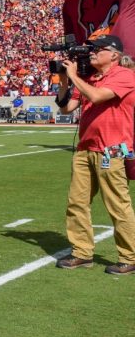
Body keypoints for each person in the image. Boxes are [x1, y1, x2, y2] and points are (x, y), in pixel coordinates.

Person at [54, 35, 135, 274]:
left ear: (114, 55)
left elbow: (98, 96)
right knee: (77, 203)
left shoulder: (124, 75)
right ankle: (82, 252)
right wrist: (64, 82)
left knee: (118, 205)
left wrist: (75, 77)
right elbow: (66, 108)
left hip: (111, 149)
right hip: (85, 149)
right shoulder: (90, 78)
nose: (93, 52)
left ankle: (129, 257)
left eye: (99, 49)